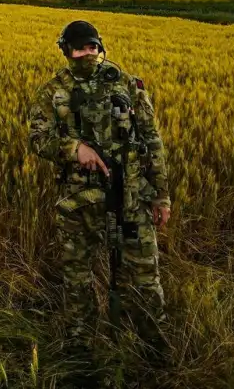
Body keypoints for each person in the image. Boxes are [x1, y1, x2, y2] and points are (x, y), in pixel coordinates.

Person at [27, 19, 171, 354]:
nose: (86, 55)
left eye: (92, 47)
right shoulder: (52, 91)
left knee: (145, 277)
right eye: (79, 48)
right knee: (77, 278)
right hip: (79, 202)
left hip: (132, 197)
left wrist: (161, 195)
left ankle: (154, 348)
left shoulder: (128, 84)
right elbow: (38, 139)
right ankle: (82, 348)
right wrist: (74, 149)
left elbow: (153, 141)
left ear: (100, 47)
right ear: (67, 51)